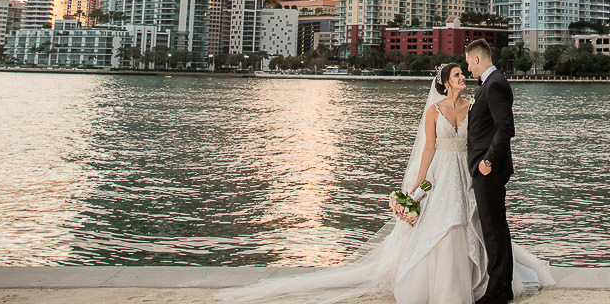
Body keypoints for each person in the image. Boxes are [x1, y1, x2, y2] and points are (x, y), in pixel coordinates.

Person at [220, 61, 552, 304]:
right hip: (442, 173)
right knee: (445, 224)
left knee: (474, 223)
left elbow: (484, 136)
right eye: (457, 74)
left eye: (464, 73)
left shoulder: (473, 105)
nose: (463, 76)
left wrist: (487, 164)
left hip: (467, 171)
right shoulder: (434, 111)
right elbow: (429, 149)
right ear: (446, 81)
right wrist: (418, 186)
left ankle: (482, 281)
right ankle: (446, 288)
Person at [464, 40, 513, 304]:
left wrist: (488, 161)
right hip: (488, 167)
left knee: (493, 231)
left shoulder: (494, 84)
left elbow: (506, 128)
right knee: (497, 228)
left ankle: (496, 294)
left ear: (477, 59)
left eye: (468, 62)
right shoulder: (492, 83)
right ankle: (504, 289)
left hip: (489, 169)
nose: (467, 68)